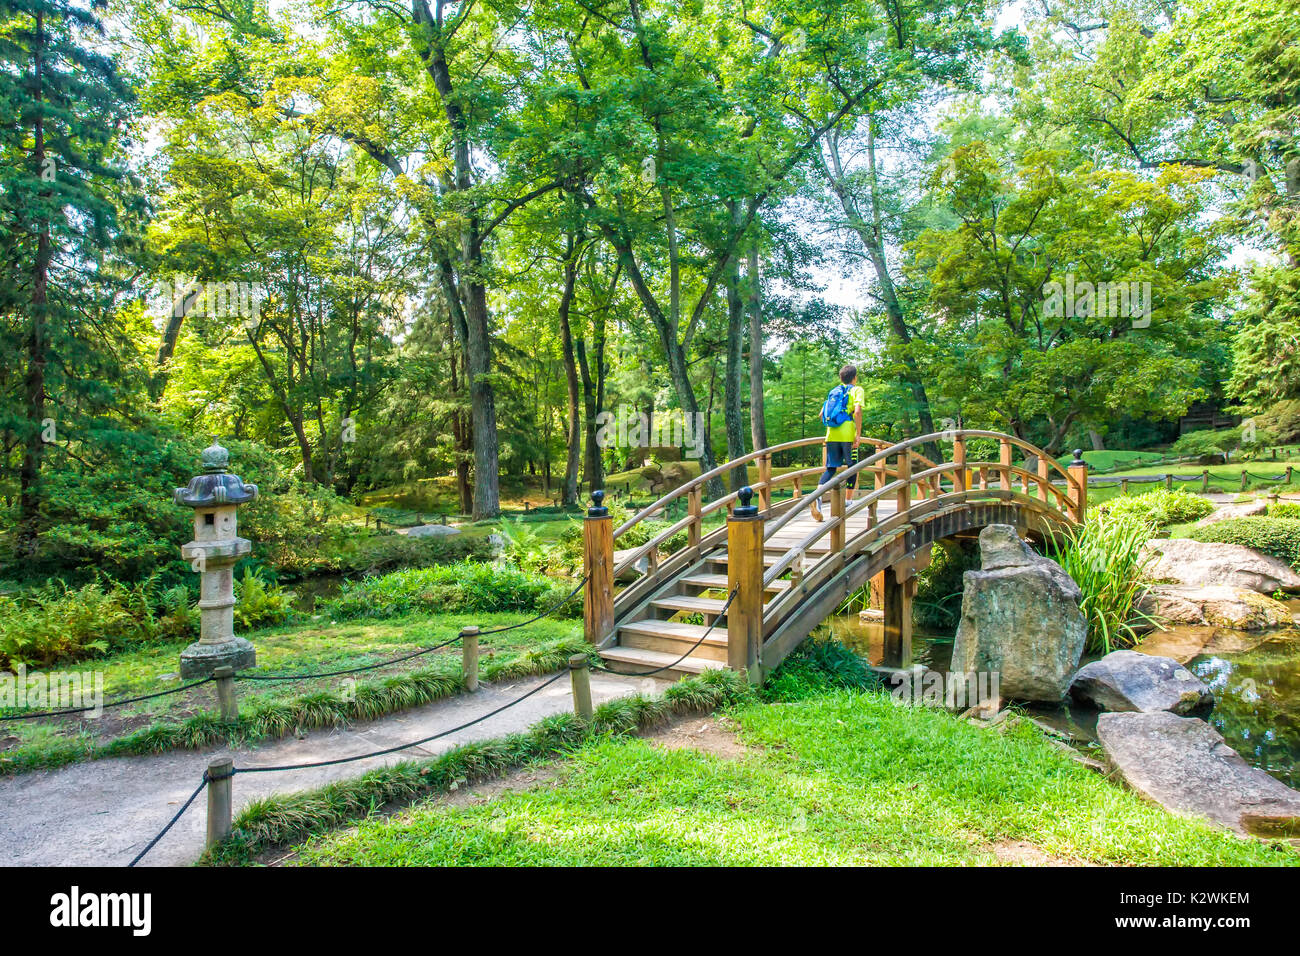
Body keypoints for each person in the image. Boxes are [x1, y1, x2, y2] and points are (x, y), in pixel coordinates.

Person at [811, 365, 864, 522]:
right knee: (852, 466)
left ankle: (817, 497)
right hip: (847, 434)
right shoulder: (856, 390)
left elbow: (821, 415)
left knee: (831, 468)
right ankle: (847, 501)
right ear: (854, 377)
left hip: (831, 434)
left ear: (841, 378)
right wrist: (858, 434)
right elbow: (858, 411)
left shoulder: (835, 391)